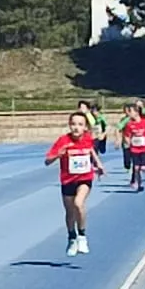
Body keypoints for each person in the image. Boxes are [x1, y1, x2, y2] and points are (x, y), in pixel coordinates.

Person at [45, 109, 102, 256]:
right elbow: (47, 161)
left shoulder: (88, 138)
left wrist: (98, 164)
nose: (76, 127)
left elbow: (90, 150)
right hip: (67, 180)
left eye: (80, 124)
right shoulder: (63, 141)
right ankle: (72, 237)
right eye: (73, 124)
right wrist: (59, 154)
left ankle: (82, 236)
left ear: (85, 127)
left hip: (84, 178)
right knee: (70, 212)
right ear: (69, 126)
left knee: (78, 203)